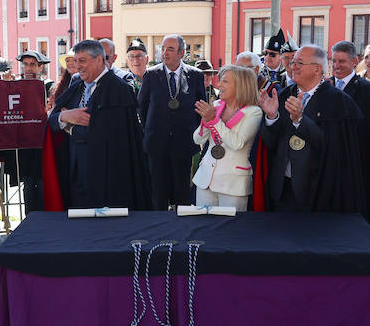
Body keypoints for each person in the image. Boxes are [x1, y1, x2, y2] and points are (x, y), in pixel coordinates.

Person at [255, 44, 364, 213]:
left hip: (317, 192)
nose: (293, 67)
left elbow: (332, 148)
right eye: (292, 62)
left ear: (317, 69)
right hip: (281, 189)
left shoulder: (338, 102)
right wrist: (271, 117)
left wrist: (300, 120)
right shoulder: (284, 95)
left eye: (299, 63)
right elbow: (271, 143)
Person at [49, 39, 150, 208]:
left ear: (98, 60)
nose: (77, 66)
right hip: (78, 175)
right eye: (75, 61)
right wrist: (66, 116)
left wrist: (70, 128)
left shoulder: (120, 89)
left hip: (108, 176)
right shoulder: (77, 85)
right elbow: (52, 120)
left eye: (82, 61)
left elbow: (108, 133)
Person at [136, 35, 204, 209]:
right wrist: (151, 130)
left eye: (170, 49)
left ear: (182, 52)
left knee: (182, 193)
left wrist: (192, 132)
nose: (165, 53)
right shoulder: (151, 74)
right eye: (163, 49)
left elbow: (200, 108)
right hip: (156, 143)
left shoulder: (195, 75)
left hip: (184, 143)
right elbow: (141, 107)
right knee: (158, 193)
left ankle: (181, 230)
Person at [330, 40, 370, 230]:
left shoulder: (367, 90)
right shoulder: (325, 86)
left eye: (342, 62)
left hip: (355, 164)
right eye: (334, 61)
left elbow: (369, 131)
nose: (337, 66)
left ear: (354, 61)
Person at [192, 65, 262, 210]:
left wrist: (214, 120)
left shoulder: (254, 112)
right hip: (206, 179)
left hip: (233, 184)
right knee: (203, 228)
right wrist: (206, 121)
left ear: (240, 85)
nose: (218, 85)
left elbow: (237, 143)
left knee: (231, 230)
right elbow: (197, 140)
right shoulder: (216, 106)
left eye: (225, 81)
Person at [0, 50, 49, 214]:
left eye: (32, 65)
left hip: (44, 143)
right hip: (24, 145)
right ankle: (29, 220)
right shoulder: (15, 86)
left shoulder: (48, 86)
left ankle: (45, 221)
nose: (28, 68)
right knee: (27, 183)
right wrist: (5, 88)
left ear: (40, 67)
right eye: (25, 64)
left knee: (44, 183)